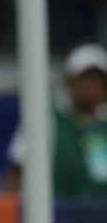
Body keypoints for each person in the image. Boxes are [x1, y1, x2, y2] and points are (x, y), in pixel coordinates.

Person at [6, 43, 107, 197]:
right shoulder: (44, 118)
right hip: (56, 217)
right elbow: (17, 172)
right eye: (84, 79)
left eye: (97, 80)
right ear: (69, 81)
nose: (91, 86)